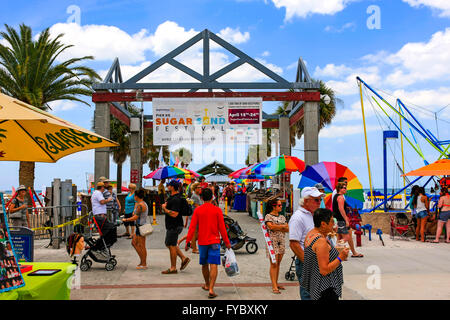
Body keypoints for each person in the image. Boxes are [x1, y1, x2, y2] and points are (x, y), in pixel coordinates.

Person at [185, 188, 231, 299]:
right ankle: (211, 288)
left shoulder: (198, 210)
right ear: (212, 197)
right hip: (215, 240)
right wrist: (227, 242)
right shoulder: (217, 210)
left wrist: (188, 242)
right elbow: (222, 228)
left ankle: (206, 284)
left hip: (202, 241)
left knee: (204, 264)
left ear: (201, 198)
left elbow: (192, 228)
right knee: (214, 264)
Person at [301, 208, 349, 300]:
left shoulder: (311, 234)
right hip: (325, 288)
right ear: (323, 224)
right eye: (331, 221)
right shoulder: (321, 242)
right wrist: (340, 257)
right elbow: (324, 270)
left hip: (316, 286)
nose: (333, 224)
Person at [289, 186, 324, 300]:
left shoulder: (313, 215)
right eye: (316, 200)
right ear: (306, 201)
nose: (319, 203)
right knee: (308, 294)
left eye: (320, 200)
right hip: (307, 261)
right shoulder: (298, 218)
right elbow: (294, 244)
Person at [161, 180, 190, 274]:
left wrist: (164, 208)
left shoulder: (176, 199)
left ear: (172, 187)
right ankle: (183, 258)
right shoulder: (173, 197)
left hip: (174, 225)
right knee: (168, 243)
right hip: (173, 225)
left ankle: (173, 268)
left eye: (169, 185)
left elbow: (175, 214)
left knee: (172, 245)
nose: (167, 186)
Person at [264, 199, 289, 294]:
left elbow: (287, 228)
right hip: (272, 243)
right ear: (273, 206)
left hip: (281, 242)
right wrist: (282, 226)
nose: (281, 207)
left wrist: (277, 226)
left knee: (278, 263)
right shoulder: (268, 216)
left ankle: (276, 282)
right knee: (273, 264)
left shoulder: (282, 216)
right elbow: (271, 227)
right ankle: (274, 285)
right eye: (279, 205)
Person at [333, 182, 363, 257]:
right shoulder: (340, 197)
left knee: (340, 237)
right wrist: (346, 219)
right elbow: (341, 209)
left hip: (338, 219)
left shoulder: (336, 196)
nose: (346, 189)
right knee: (346, 237)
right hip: (341, 220)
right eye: (344, 188)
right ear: (340, 189)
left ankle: (338, 252)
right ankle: (335, 251)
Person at [122, 189, 149, 269]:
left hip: (141, 226)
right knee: (134, 243)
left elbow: (135, 217)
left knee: (142, 245)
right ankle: (142, 261)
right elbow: (136, 214)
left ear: (136, 196)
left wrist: (126, 220)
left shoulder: (141, 205)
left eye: (134, 196)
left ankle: (143, 263)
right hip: (139, 226)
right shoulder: (141, 203)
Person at [178, 182, 202, 253]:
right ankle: (194, 248)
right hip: (194, 217)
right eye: (198, 187)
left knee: (196, 233)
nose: (200, 189)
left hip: (196, 216)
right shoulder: (194, 196)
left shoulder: (197, 196)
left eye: (200, 187)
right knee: (194, 234)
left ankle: (190, 244)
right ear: (195, 189)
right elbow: (198, 206)